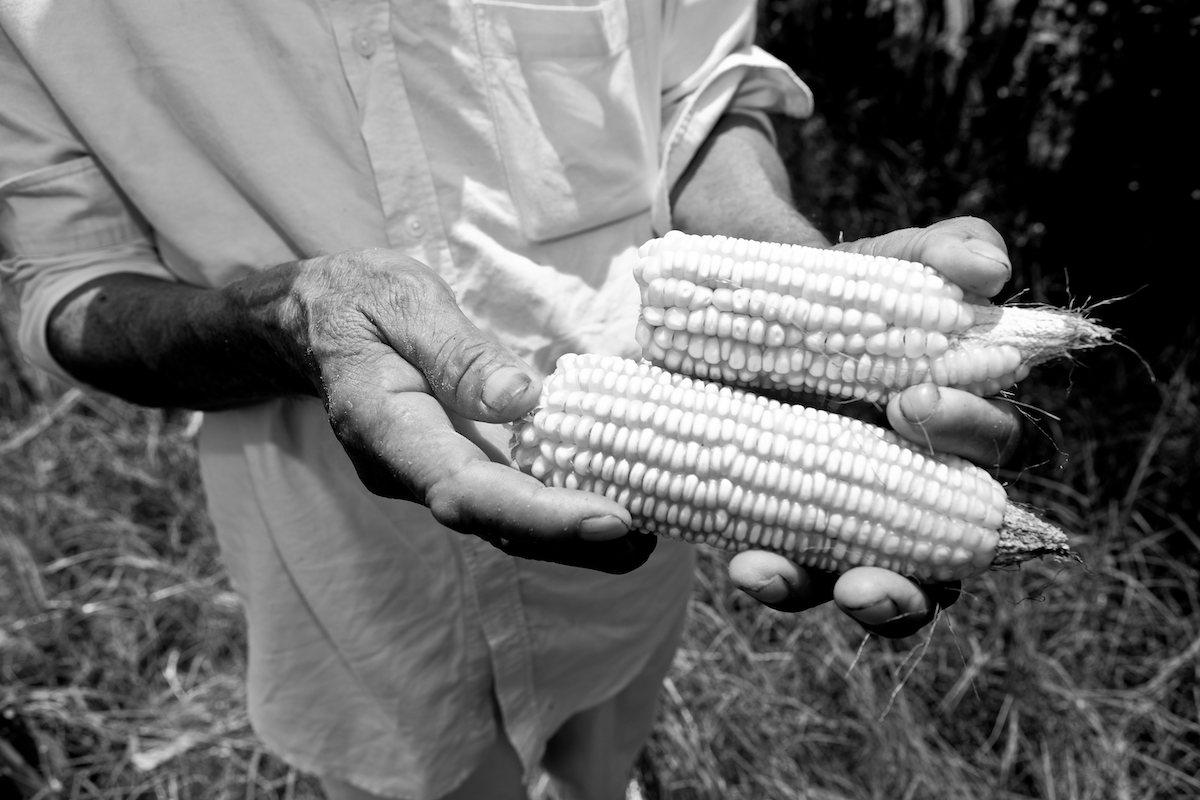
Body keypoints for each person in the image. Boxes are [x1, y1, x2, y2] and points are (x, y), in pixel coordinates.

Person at [0, 2, 1021, 798]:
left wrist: (790, 281)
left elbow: (699, 91)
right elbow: (66, 280)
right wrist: (290, 324)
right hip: (345, 567)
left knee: (608, 756)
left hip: (646, 510)